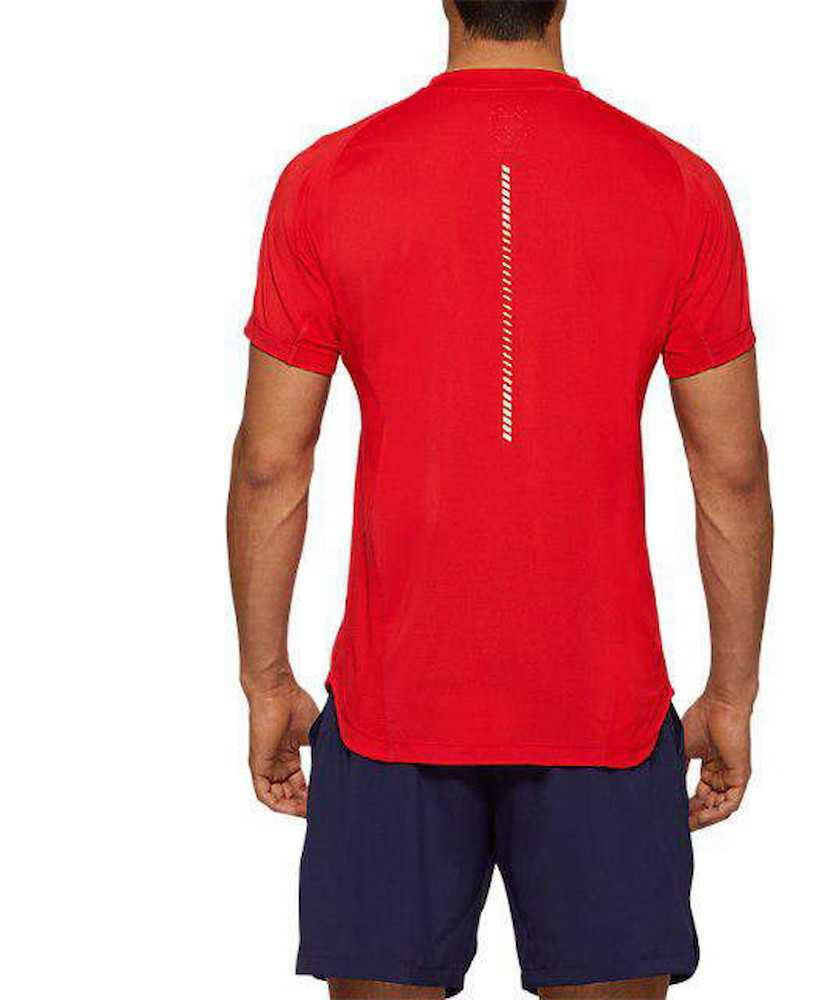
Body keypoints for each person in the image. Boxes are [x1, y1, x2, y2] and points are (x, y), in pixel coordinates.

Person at [227, 2, 773, 997]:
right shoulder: (677, 185)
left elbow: (272, 463)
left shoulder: (328, 180)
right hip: (603, 712)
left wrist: (267, 682)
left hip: (393, 707)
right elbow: (729, 472)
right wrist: (731, 695)